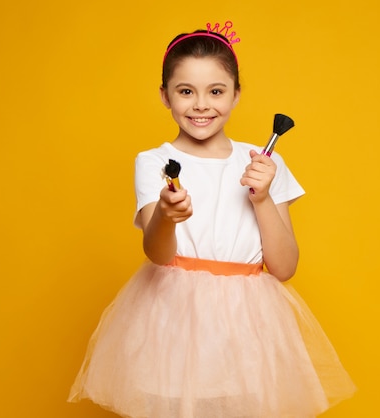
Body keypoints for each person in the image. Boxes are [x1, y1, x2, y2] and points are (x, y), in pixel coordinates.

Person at [68, 21, 356, 417]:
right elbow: (156, 253)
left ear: (236, 95)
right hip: (172, 327)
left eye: (216, 91)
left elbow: (285, 267)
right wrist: (167, 217)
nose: (201, 105)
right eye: (186, 91)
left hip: (248, 334)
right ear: (165, 96)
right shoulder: (153, 162)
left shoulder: (264, 163)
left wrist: (262, 198)